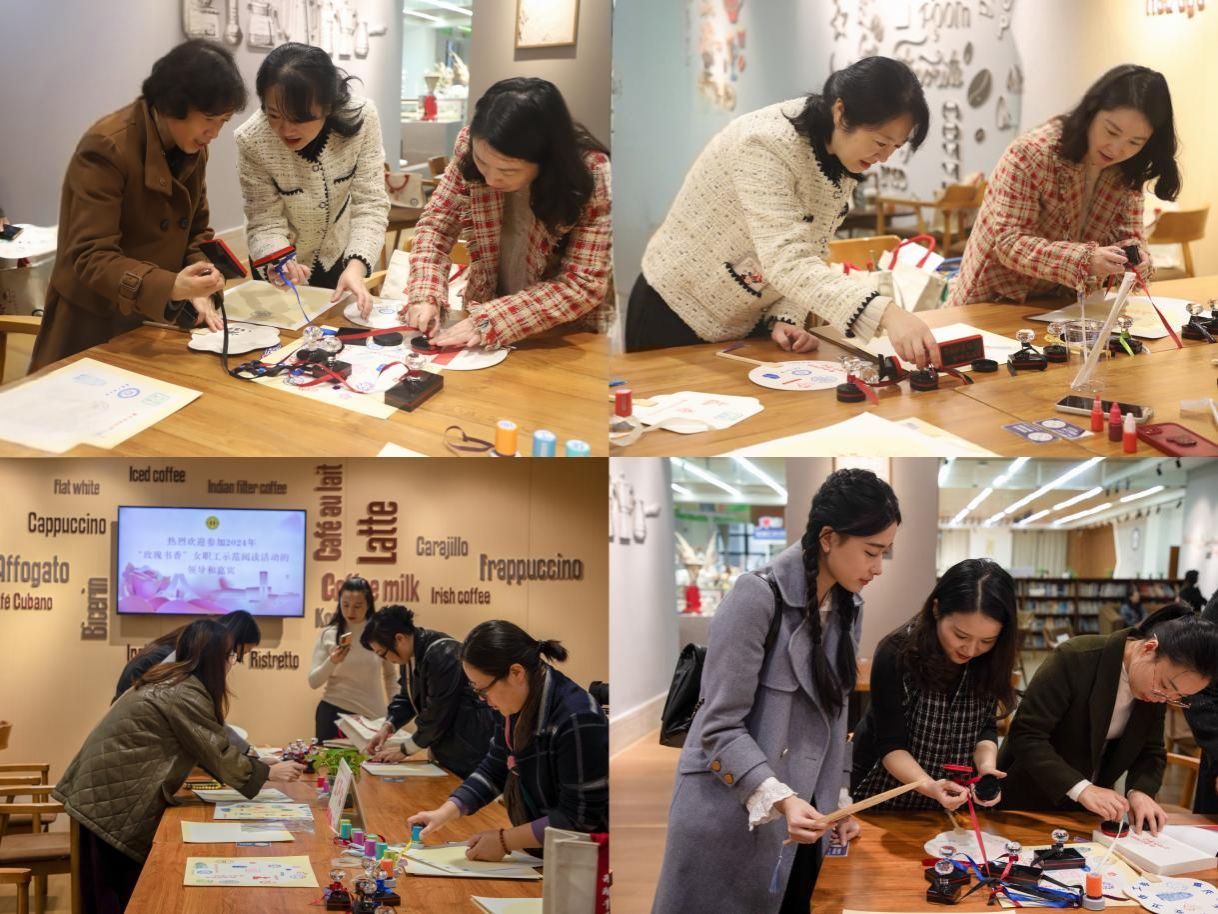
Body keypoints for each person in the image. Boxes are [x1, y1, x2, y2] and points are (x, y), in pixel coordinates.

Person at [651, 468, 900, 913]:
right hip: (731, 811)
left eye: (884, 552)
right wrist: (781, 799)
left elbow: (836, 714)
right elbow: (717, 726)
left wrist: (838, 798)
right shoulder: (756, 595)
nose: (878, 568)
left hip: (804, 816)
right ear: (828, 538)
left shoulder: (848, 605)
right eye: (871, 551)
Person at [624, 56, 941, 368]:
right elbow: (786, 260)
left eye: (895, 148)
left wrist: (785, 317)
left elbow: (809, 249)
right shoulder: (765, 143)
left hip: (743, 320)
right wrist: (887, 313)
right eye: (881, 142)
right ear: (840, 111)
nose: (884, 158)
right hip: (674, 309)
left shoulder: (841, 158)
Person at [54, 619, 304, 914]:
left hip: (103, 796)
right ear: (213, 659)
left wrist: (254, 763)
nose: (233, 663)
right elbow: (216, 750)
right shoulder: (184, 691)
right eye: (231, 656)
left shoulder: (176, 680)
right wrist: (268, 772)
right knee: (121, 899)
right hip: (110, 803)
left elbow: (207, 744)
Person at [30, 40, 245, 370]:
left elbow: (197, 233)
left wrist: (201, 284)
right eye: (209, 119)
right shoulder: (107, 146)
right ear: (175, 103)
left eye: (223, 121)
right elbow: (91, 256)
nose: (214, 132)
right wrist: (172, 286)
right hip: (95, 322)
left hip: (155, 318)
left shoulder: (192, 146)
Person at [401, 77, 613, 350]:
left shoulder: (592, 173)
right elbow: (436, 226)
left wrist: (494, 320)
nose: (491, 179)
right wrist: (425, 294)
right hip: (481, 312)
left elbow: (582, 283)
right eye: (481, 162)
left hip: (560, 334)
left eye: (508, 171)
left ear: (548, 159)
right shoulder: (470, 143)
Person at [948, 64, 1179, 307]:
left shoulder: (1127, 170)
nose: (1117, 149)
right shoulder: (1033, 153)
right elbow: (1009, 243)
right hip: (994, 298)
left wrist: (1137, 260)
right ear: (1091, 111)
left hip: (1059, 304)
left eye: (1135, 142)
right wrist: (1085, 260)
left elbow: (1129, 236)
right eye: (1111, 131)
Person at [998, 604, 1218, 834]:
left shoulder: (1158, 690)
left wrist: (1140, 791)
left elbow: (1151, 750)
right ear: (1148, 648)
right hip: (1025, 805)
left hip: (1087, 817)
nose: (1163, 698)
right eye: (1164, 686)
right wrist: (1081, 788)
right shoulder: (1075, 658)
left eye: (1178, 697)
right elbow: (1027, 735)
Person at [407, 620, 609, 859]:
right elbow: (495, 767)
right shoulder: (514, 703)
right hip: (541, 852)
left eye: (483, 690)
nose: (483, 699)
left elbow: (578, 819)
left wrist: (505, 841)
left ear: (516, 673)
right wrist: (445, 813)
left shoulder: (577, 717)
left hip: (582, 860)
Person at [851, 558, 1019, 811]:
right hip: (886, 790)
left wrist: (986, 768)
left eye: (986, 641)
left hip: (951, 796)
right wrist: (929, 786)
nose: (971, 650)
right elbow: (890, 744)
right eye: (961, 635)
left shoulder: (991, 658)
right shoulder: (896, 653)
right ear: (937, 609)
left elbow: (985, 726)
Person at [236, 42, 390, 317]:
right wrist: (279, 261)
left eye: (299, 118)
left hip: (338, 253)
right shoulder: (252, 139)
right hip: (279, 261)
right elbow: (263, 219)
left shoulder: (362, 118)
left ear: (328, 106)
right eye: (274, 115)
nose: (285, 129)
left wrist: (356, 267)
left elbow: (371, 204)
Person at [361, 605, 496, 777]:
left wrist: (405, 749)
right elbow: (407, 697)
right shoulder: (409, 656)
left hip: (470, 750)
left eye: (382, 653)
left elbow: (437, 712)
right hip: (449, 750)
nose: (384, 659)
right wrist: (387, 726)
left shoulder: (443, 654)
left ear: (399, 639)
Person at [307, 575, 396, 740]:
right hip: (333, 713)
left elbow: (391, 675)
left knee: (374, 758)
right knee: (327, 758)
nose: (350, 612)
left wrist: (395, 714)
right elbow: (313, 681)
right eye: (345, 605)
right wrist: (332, 661)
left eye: (357, 606)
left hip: (373, 716)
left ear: (368, 605)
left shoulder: (379, 634)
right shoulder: (329, 634)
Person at [113, 609, 261, 700]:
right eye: (236, 655)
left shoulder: (185, 648)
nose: (232, 662)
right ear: (230, 640)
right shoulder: (176, 659)